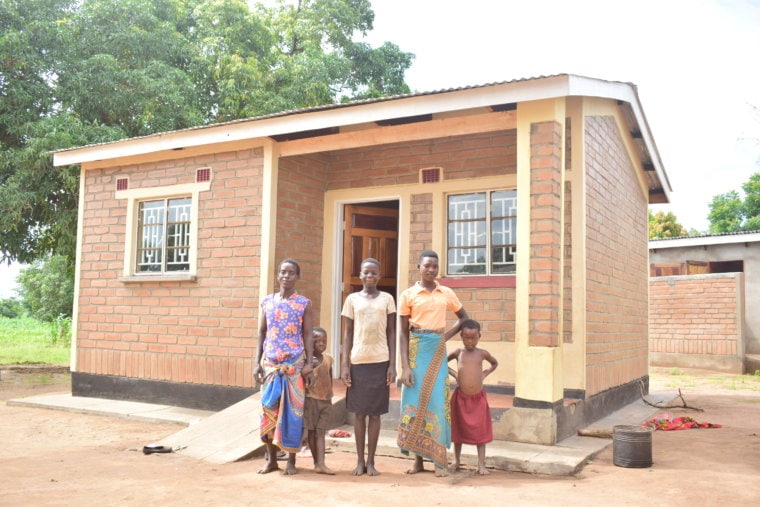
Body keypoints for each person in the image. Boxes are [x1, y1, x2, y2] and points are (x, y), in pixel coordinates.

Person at [397, 250, 468, 477]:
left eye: (435, 266)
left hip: (437, 350)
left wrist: (445, 337)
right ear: (418, 267)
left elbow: (464, 318)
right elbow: (402, 333)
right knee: (415, 403)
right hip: (416, 350)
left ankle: (439, 462)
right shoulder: (408, 294)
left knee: (437, 403)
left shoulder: (445, 292)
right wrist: (405, 367)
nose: (431, 269)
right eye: (427, 265)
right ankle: (418, 461)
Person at [254, 259, 314, 475]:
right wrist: (256, 363)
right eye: (282, 272)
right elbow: (262, 332)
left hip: (294, 367)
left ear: (298, 277)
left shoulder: (304, 303)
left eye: (291, 273)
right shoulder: (267, 302)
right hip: (270, 367)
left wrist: (309, 364)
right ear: (277, 276)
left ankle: (291, 461)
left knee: (292, 414)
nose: (286, 276)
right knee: (268, 411)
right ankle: (271, 460)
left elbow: (308, 334)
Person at [341, 258, 396, 476]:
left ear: (379, 275)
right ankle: (359, 461)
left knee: (375, 414)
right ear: (360, 275)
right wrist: (345, 364)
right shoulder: (352, 299)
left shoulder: (387, 299)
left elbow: (392, 331)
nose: (369, 276)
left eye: (374, 273)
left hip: (380, 361)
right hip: (358, 362)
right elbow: (347, 333)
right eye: (366, 273)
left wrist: (392, 364)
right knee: (359, 414)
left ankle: (371, 461)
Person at [447, 319, 498, 475]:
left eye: (473, 338)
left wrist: (485, 373)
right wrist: (454, 373)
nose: (470, 341)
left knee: (480, 431)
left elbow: (494, 363)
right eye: (466, 337)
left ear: (479, 336)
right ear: (461, 336)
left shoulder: (482, 353)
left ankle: (481, 464)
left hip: (478, 399)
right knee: (458, 430)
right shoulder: (458, 353)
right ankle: (456, 461)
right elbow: (442, 362)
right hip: (460, 398)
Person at [304, 327, 335, 475]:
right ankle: (317, 462)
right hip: (311, 401)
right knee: (311, 432)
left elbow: (330, 376)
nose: (322, 344)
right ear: (310, 343)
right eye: (318, 341)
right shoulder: (307, 362)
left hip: (325, 401)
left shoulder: (328, 358)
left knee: (320, 432)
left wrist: (330, 395)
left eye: (325, 341)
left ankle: (321, 463)